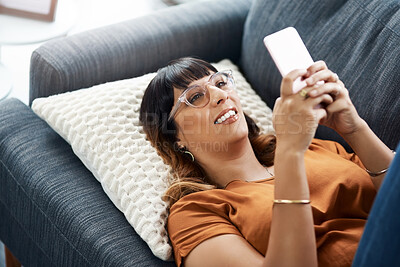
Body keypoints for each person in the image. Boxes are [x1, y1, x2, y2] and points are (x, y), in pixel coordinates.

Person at [139, 57, 396, 267]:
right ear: (176, 139)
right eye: (195, 97)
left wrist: (354, 128)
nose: (220, 95)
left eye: (220, 82)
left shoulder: (314, 149)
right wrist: (290, 154)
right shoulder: (196, 212)